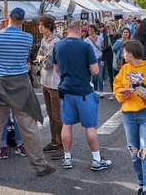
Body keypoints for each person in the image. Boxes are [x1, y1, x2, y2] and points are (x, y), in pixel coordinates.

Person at [0, 7, 56, 179]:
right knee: (29, 128)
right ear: (22, 21)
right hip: (21, 86)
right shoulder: (27, 38)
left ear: (8, 18)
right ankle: (40, 165)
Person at [52, 21, 112, 171]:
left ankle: (67, 158)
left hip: (66, 90)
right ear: (80, 32)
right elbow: (95, 71)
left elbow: (57, 69)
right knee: (90, 126)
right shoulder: (85, 46)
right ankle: (96, 160)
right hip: (83, 90)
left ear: (67, 31)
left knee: (67, 124)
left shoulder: (58, 46)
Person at [113, 40, 146, 195]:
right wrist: (122, 93)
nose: (123, 55)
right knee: (134, 153)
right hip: (128, 115)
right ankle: (141, 184)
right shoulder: (124, 69)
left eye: (124, 52)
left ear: (130, 53)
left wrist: (144, 92)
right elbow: (117, 87)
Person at [37, 15, 63, 158]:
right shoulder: (44, 39)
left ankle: (61, 145)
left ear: (48, 25)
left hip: (54, 82)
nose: (40, 27)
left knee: (57, 115)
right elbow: (39, 55)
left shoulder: (56, 41)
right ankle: (54, 141)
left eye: (42, 24)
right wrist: (41, 58)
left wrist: (40, 58)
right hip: (45, 81)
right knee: (50, 114)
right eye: (39, 24)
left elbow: (47, 62)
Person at [84, 24, 104, 98]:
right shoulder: (86, 40)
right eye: (88, 29)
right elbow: (85, 51)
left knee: (100, 76)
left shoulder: (100, 38)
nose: (90, 31)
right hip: (92, 60)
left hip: (99, 58)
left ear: (95, 30)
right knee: (94, 76)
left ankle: (101, 91)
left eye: (91, 29)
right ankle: (95, 90)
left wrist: (102, 56)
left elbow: (103, 48)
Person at [102, 22, 119, 100]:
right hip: (108, 57)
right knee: (110, 75)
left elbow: (115, 46)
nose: (107, 29)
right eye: (106, 27)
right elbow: (105, 47)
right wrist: (102, 58)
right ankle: (113, 92)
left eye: (108, 27)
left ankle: (118, 91)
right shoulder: (106, 36)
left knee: (117, 75)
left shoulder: (117, 35)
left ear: (113, 27)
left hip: (116, 57)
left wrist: (112, 36)